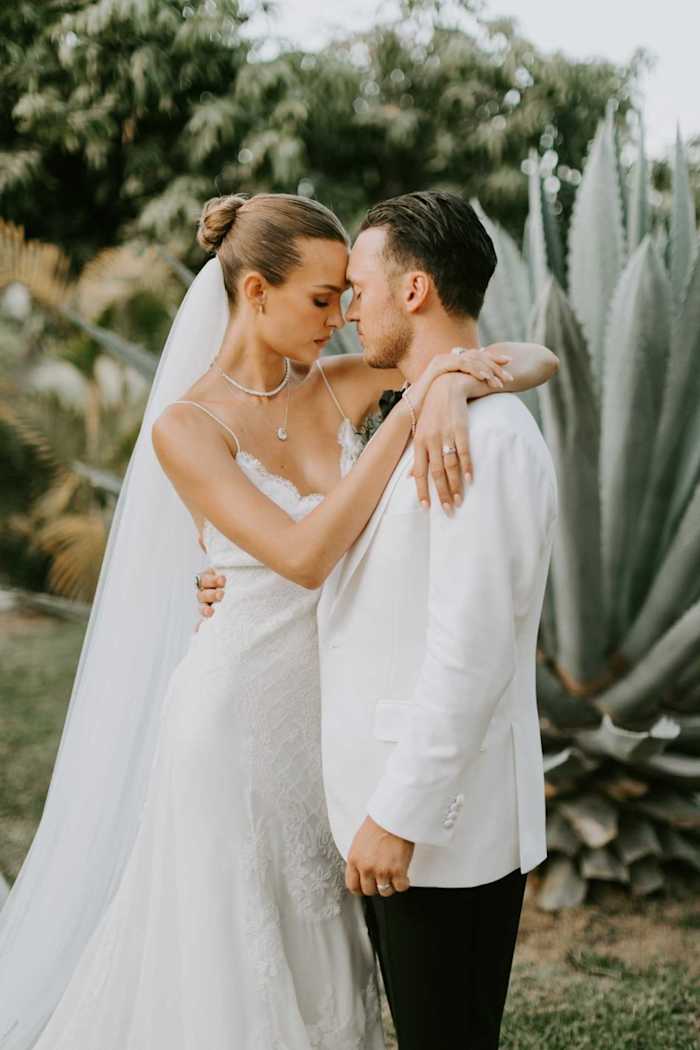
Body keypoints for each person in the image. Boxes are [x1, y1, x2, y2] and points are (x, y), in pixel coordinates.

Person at [0, 191, 554, 1050]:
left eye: (347, 295)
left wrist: (448, 383)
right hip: (233, 722)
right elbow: (301, 557)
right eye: (321, 298)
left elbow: (527, 357)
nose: (339, 320)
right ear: (255, 292)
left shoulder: (335, 387)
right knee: (233, 959)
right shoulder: (186, 426)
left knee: (324, 958)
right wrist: (413, 409)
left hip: (329, 727)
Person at [200, 191, 559, 1049]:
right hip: (394, 809)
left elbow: (471, 652)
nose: (347, 305)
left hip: (440, 822)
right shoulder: (421, 413)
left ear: (414, 291)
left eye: (355, 285)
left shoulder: (491, 440)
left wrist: (398, 814)